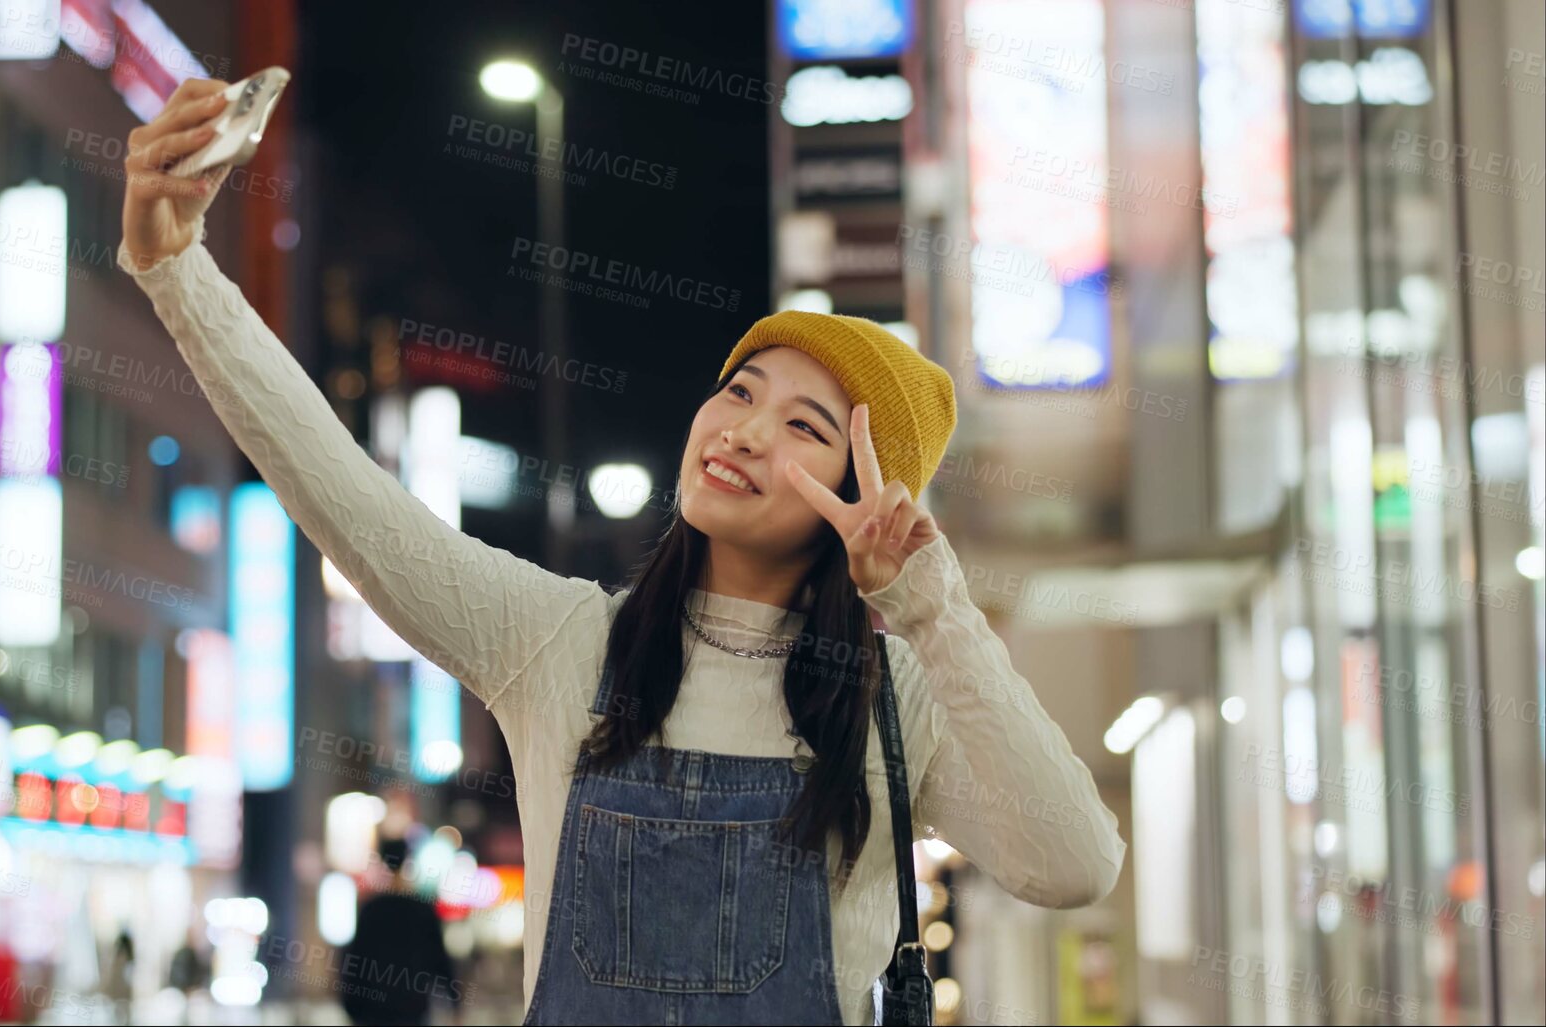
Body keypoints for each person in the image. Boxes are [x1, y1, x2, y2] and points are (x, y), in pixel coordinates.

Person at [118, 79, 1126, 1026]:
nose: (745, 431)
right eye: (740, 392)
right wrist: (177, 271)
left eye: (807, 427)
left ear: (863, 497)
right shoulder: (557, 640)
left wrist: (931, 608)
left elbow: (1072, 862)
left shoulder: (892, 698)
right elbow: (341, 490)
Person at [337, 837, 458, 1026]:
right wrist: (455, 1003)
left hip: (371, 1013)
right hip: (412, 1010)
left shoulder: (371, 909)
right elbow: (441, 961)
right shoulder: (422, 910)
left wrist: (351, 1007)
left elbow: (354, 961)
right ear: (408, 861)